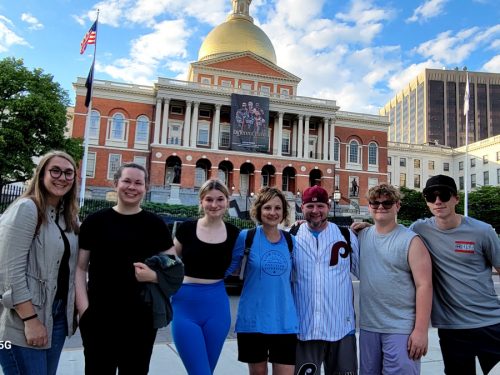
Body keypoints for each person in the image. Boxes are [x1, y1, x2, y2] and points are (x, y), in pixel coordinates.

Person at [75, 162, 176, 375]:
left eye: (138, 183)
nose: (132, 187)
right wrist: (84, 310)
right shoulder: (95, 222)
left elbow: (174, 270)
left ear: (146, 187)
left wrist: (154, 276)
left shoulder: (155, 225)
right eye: (127, 181)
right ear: (115, 183)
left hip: (142, 320)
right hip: (99, 318)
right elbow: (80, 268)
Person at [410, 175, 500, 374]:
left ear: (456, 198)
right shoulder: (419, 229)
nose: (438, 201)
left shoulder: (483, 231)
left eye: (443, 195)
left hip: (490, 323)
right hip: (452, 328)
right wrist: (367, 229)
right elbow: (393, 236)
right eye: (430, 197)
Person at [0, 150, 80, 375]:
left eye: (68, 173)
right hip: (23, 320)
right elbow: (8, 272)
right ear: (42, 173)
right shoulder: (26, 209)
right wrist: (30, 320)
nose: (61, 177)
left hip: (57, 317)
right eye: (55, 170)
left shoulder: (67, 218)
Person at [357, 183, 432, 374]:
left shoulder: (411, 240)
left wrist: (421, 331)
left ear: (397, 205)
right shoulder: (361, 235)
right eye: (375, 203)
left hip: (400, 328)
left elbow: (424, 285)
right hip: (369, 327)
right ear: (369, 206)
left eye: (387, 203)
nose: (381, 207)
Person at [170, 179, 240, 374]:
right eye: (209, 199)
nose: (214, 204)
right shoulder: (187, 229)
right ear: (201, 201)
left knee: (206, 370)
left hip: (217, 307)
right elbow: (169, 262)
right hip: (185, 305)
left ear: (227, 201)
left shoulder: (235, 234)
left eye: (220, 199)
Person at [226, 187, 299, 375]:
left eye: (277, 208)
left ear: (284, 212)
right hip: (253, 321)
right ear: (259, 210)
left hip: (284, 321)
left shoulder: (291, 241)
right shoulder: (246, 237)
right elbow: (227, 270)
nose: (272, 213)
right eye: (267, 208)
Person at [291, 185, 359, 375]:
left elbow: (366, 272)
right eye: (309, 206)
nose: (315, 211)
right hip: (304, 328)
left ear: (328, 207)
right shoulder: (291, 237)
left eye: (320, 206)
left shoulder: (346, 236)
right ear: (301, 207)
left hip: (341, 327)